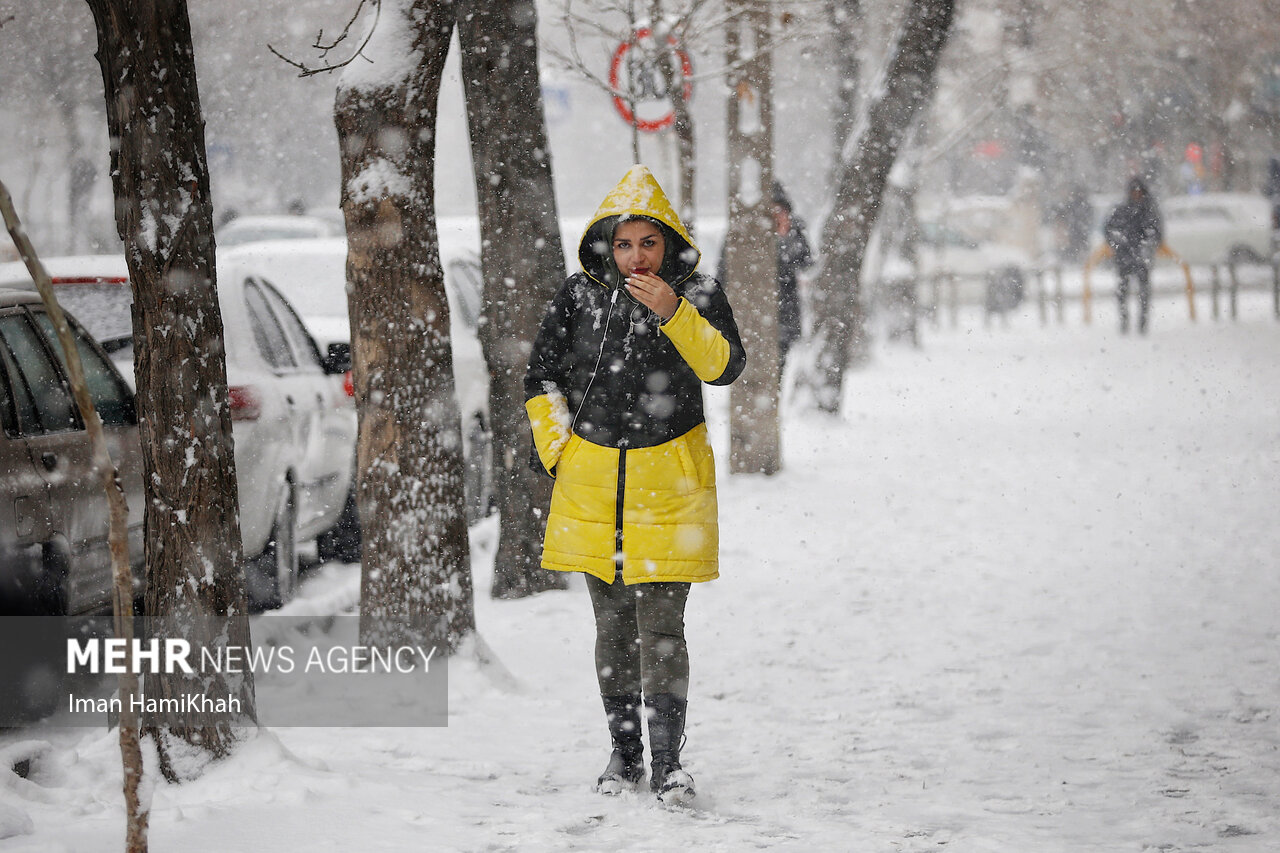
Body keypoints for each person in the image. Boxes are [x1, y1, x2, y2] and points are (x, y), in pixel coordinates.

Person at [523, 165, 746, 805]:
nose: (636, 256)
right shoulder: (578, 296)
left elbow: (725, 366)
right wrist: (559, 451)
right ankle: (623, 757)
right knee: (614, 631)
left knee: (664, 630)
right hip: (592, 490)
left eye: (648, 243)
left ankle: (670, 763)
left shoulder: (697, 292)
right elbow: (540, 379)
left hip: (670, 487)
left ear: (668, 244)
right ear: (606, 246)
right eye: (624, 244)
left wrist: (675, 312)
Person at [717, 181, 813, 372]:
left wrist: (785, 237)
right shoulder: (741, 234)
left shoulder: (795, 232)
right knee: (747, 374)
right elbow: (723, 272)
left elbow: (807, 264)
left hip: (782, 319)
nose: (776, 217)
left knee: (775, 374)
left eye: (780, 211)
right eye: (771, 212)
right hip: (748, 315)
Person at [1104, 177, 1163, 334]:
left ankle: (1142, 322)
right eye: (1134, 192)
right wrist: (1119, 242)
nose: (1136, 195)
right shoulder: (1122, 210)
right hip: (1124, 257)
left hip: (1141, 258)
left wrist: (1147, 246)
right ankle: (1124, 321)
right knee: (1123, 291)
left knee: (1143, 292)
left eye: (1139, 192)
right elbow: (1109, 230)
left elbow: (1156, 233)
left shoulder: (1149, 212)